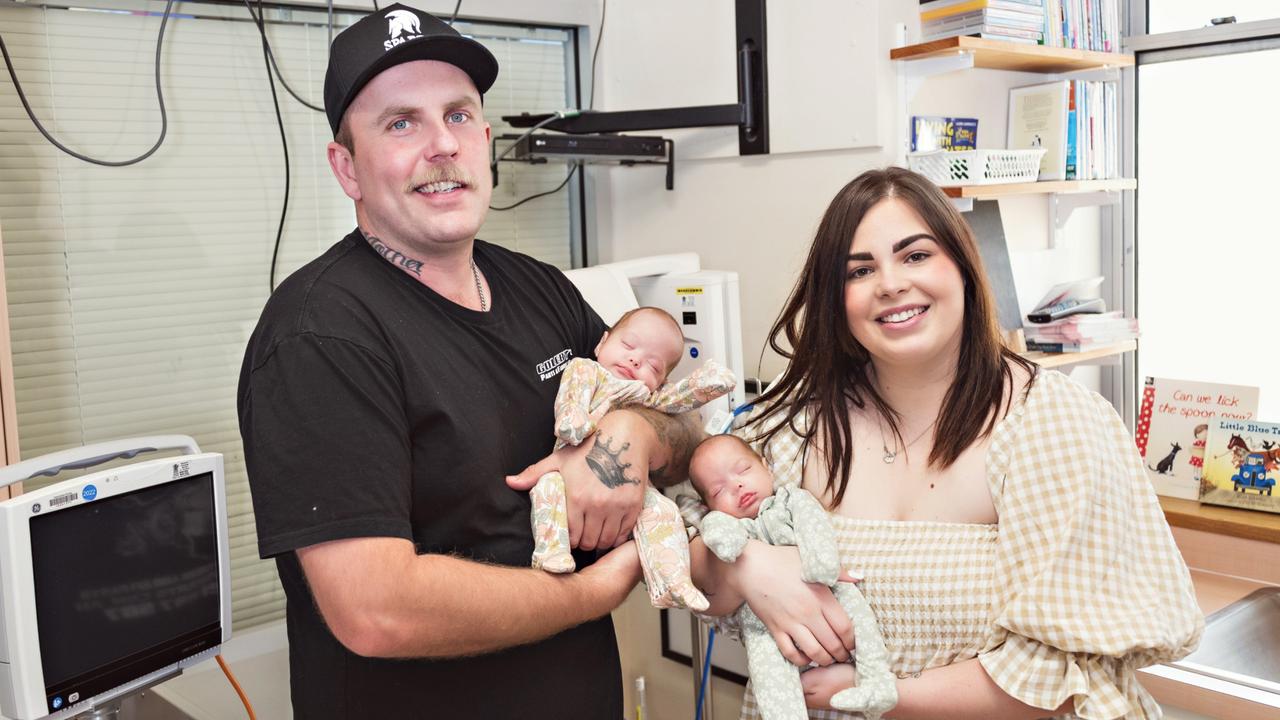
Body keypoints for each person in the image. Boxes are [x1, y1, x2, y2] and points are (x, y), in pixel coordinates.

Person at [236, 6, 699, 718]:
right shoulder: (319, 339)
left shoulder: (538, 286)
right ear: (346, 168)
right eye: (400, 124)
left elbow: (683, 434)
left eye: (457, 115)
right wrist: (592, 593)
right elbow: (378, 610)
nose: (440, 146)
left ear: (485, 140)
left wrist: (628, 438)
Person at [686, 166, 1203, 719]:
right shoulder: (794, 428)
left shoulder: (1055, 424)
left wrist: (873, 692)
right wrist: (745, 565)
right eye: (860, 270)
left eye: (915, 256)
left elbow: (1071, 676)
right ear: (837, 299)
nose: (890, 284)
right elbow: (693, 573)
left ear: (962, 266)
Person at [531, 306, 735, 613]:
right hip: (565, 468)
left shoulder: (644, 395)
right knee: (546, 489)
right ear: (601, 344)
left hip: (629, 488)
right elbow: (572, 394)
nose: (636, 360)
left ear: (660, 382)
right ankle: (551, 553)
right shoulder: (586, 370)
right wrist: (572, 419)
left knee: (664, 512)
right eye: (628, 346)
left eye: (653, 366)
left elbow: (677, 399)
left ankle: (673, 580)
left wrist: (705, 385)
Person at [688, 434, 897, 720]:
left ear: (766, 467)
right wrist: (718, 530)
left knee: (860, 617)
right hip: (762, 621)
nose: (736, 485)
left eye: (744, 470)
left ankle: (877, 683)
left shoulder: (790, 500)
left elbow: (815, 528)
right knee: (767, 671)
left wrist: (822, 565)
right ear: (709, 506)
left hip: (826, 586)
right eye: (718, 490)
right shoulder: (730, 524)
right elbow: (715, 535)